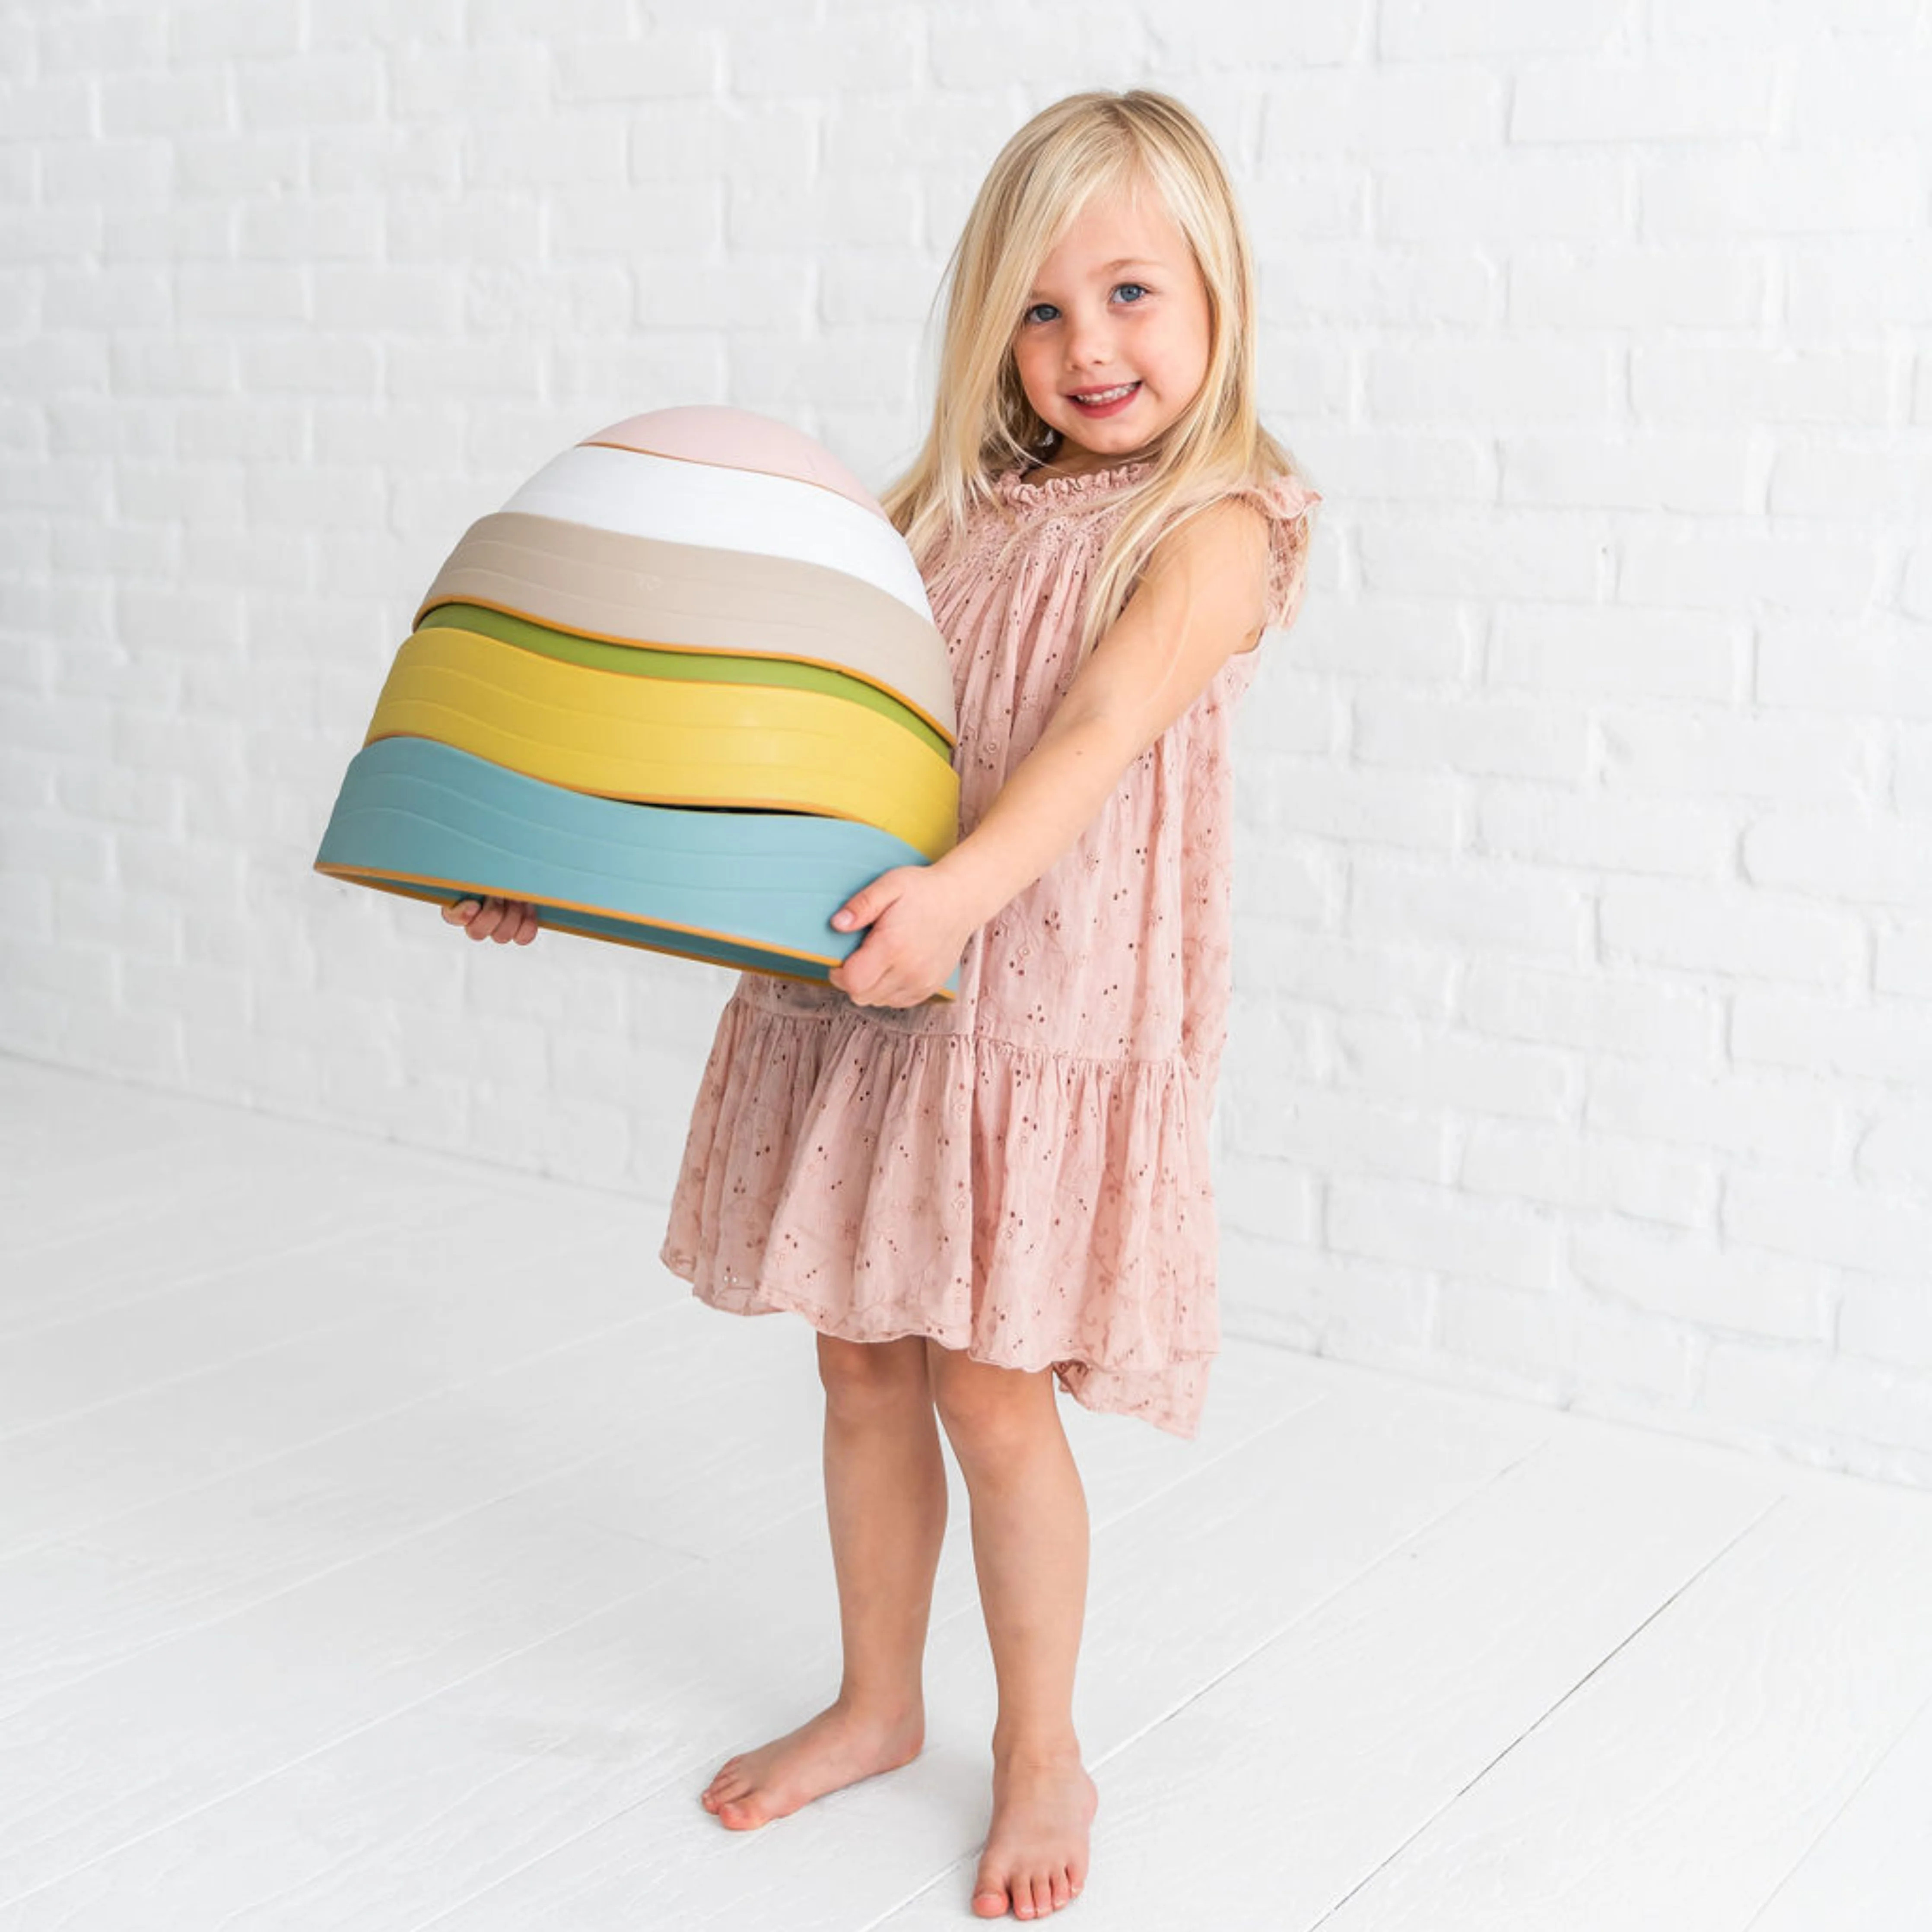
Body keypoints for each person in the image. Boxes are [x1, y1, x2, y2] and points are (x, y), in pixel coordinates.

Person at [445, 86, 1321, 1924]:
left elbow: (1099, 732)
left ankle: (1042, 1746)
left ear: (1218, 295)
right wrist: (561, 857)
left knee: (991, 1392)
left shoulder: (1217, 523)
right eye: (1040, 308)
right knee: (856, 1359)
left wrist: (964, 899)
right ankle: (874, 1699)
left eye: (1131, 294)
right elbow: (780, 734)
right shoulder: (943, 516)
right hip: (874, 981)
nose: (1087, 345)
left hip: (1028, 999)